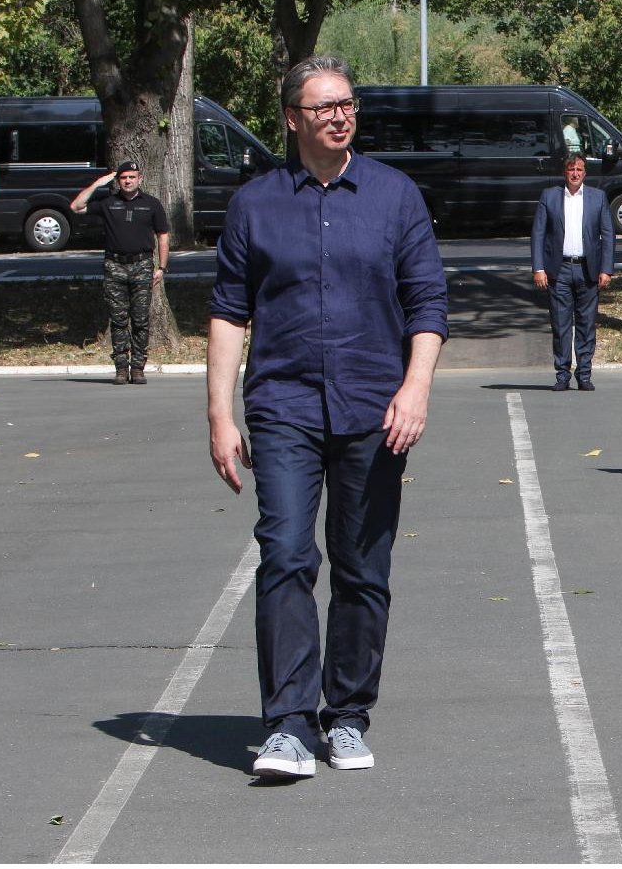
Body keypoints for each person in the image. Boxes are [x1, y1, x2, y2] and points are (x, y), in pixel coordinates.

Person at [206, 55, 449, 779]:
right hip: (282, 407)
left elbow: (428, 305)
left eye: (348, 103)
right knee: (285, 554)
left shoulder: (395, 197)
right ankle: (285, 724)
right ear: (293, 120)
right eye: (324, 107)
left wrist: (416, 389)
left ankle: (345, 716)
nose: (340, 115)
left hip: (375, 410)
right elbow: (227, 313)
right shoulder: (256, 205)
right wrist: (219, 415)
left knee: (362, 567)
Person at [71, 161, 169, 385]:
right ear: (118, 181)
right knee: (118, 320)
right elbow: (76, 207)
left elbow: (163, 236)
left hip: (142, 265)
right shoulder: (108, 203)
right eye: (123, 177)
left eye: (132, 177)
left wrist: (161, 268)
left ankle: (138, 368)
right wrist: (97, 183)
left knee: (141, 320)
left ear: (140, 179)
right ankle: (121, 369)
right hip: (114, 266)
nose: (127, 181)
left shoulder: (151, 204)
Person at [531, 152, 615, 391]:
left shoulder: (598, 198)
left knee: (587, 323)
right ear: (564, 172)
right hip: (559, 270)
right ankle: (562, 375)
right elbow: (538, 234)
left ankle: (584, 374)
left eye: (579, 169)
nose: (575, 174)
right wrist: (538, 268)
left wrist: (606, 269)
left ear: (585, 172)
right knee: (560, 324)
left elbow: (608, 235)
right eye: (571, 170)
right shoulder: (550, 197)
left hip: (588, 269)